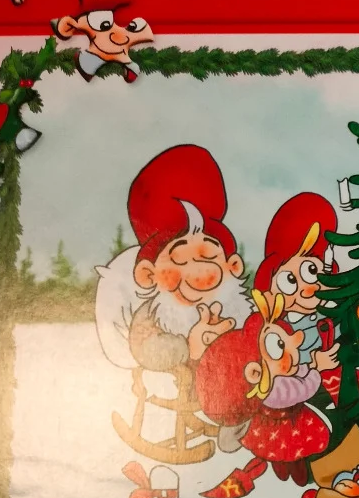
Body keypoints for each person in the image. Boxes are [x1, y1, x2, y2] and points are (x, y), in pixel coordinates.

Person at [95, 144, 251, 375]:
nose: (197, 273)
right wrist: (190, 348)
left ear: (233, 266)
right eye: (179, 261)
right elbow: (148, 351)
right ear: (148, 275)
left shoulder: (240, 311)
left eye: (208, 257)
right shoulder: (151, 319)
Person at [195, 290, 341, 486]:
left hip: (276, 431)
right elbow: (302, 389)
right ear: (254, 372)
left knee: (287, 456)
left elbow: (296, 371)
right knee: (293, 454)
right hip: (283, 431)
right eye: (280, 344)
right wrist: (316, 370)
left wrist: (311, 365)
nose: (296, 339)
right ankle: (299, 474)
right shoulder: (273, 391)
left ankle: (291, 472)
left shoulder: (272, 375)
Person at [254, 192, 339, 366]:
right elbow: (283, 367)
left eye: (311, 271)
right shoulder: (282, 331)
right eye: (290, 281)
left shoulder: (334, 313)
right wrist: (315, 365)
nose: (306, 290)